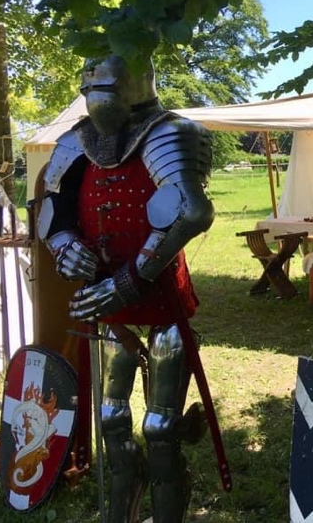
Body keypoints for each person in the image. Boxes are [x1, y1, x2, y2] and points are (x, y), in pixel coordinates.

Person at [37, 54, 214, 522]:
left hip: (159, 293)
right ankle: (122, 513)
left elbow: (190, 211)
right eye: (90, 85)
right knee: (112, 419)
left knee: (161, 427)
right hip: (106, 299)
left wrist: (133, 279)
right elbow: (52, 211)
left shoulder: (171, 132)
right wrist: (64, 245)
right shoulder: (75, 142)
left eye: (108, 85)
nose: (97, 95)